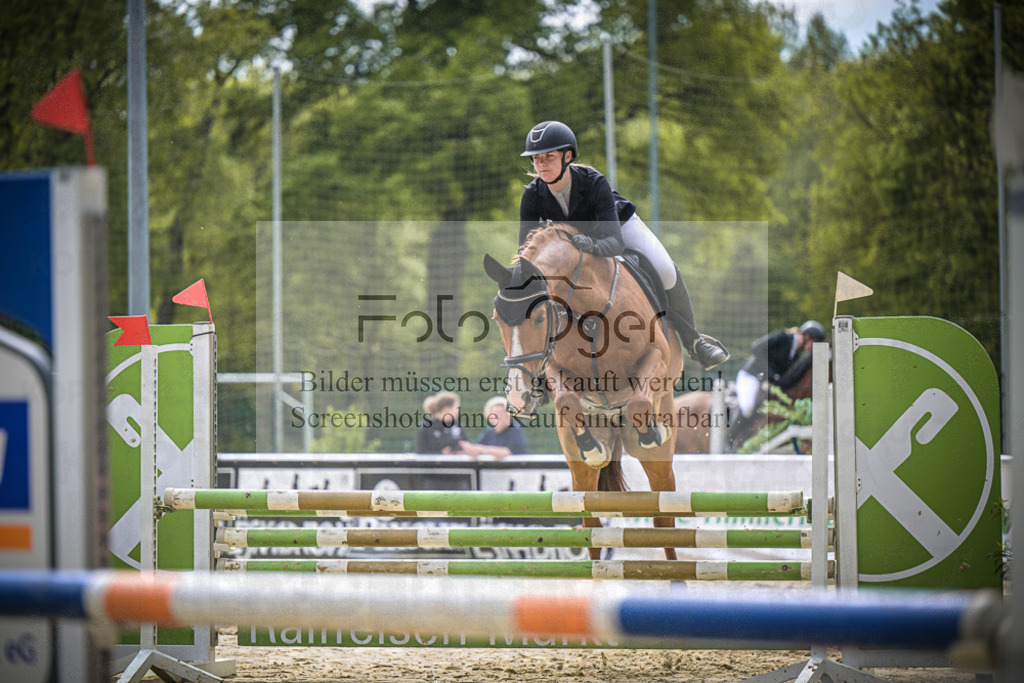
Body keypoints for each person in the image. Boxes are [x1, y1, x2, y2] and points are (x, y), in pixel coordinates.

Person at [518, 120, 729, 371]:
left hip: (618, 228)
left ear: (568, 156)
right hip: (575, 248)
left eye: (548, 157)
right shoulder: (532, 196)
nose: (541, 164)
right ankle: (536, 368)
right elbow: (526, 253)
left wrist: (592, 246)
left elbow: (615, 242)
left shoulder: (594, 183)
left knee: (664, 269)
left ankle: (694, 342)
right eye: (535, 158)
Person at [735, 320, 827, 419]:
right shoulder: (783, 337)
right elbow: (757, 348)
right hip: (751, 375)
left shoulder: (796, 354)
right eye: (814, 343)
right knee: (748, 408)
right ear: (807, 336)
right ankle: (731, 434)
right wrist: (772, 375)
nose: (811, 348)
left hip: (766, 381)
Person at [459, 396, 528, 458]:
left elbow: (507, 452)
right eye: (495, 414)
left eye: (501, 413)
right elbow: (477, 448)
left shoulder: (515, 429)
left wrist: (484, 450)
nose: (498, 416)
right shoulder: (490, 431)